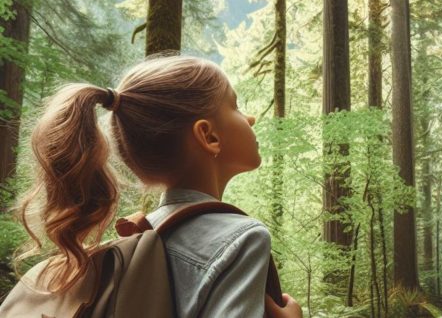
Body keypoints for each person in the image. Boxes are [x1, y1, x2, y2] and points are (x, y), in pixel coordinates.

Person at [8, 54, 303, 318]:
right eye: (235, 106)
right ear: (208, 136)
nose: (250, 118)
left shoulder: (134, 242)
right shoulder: (242, 239)